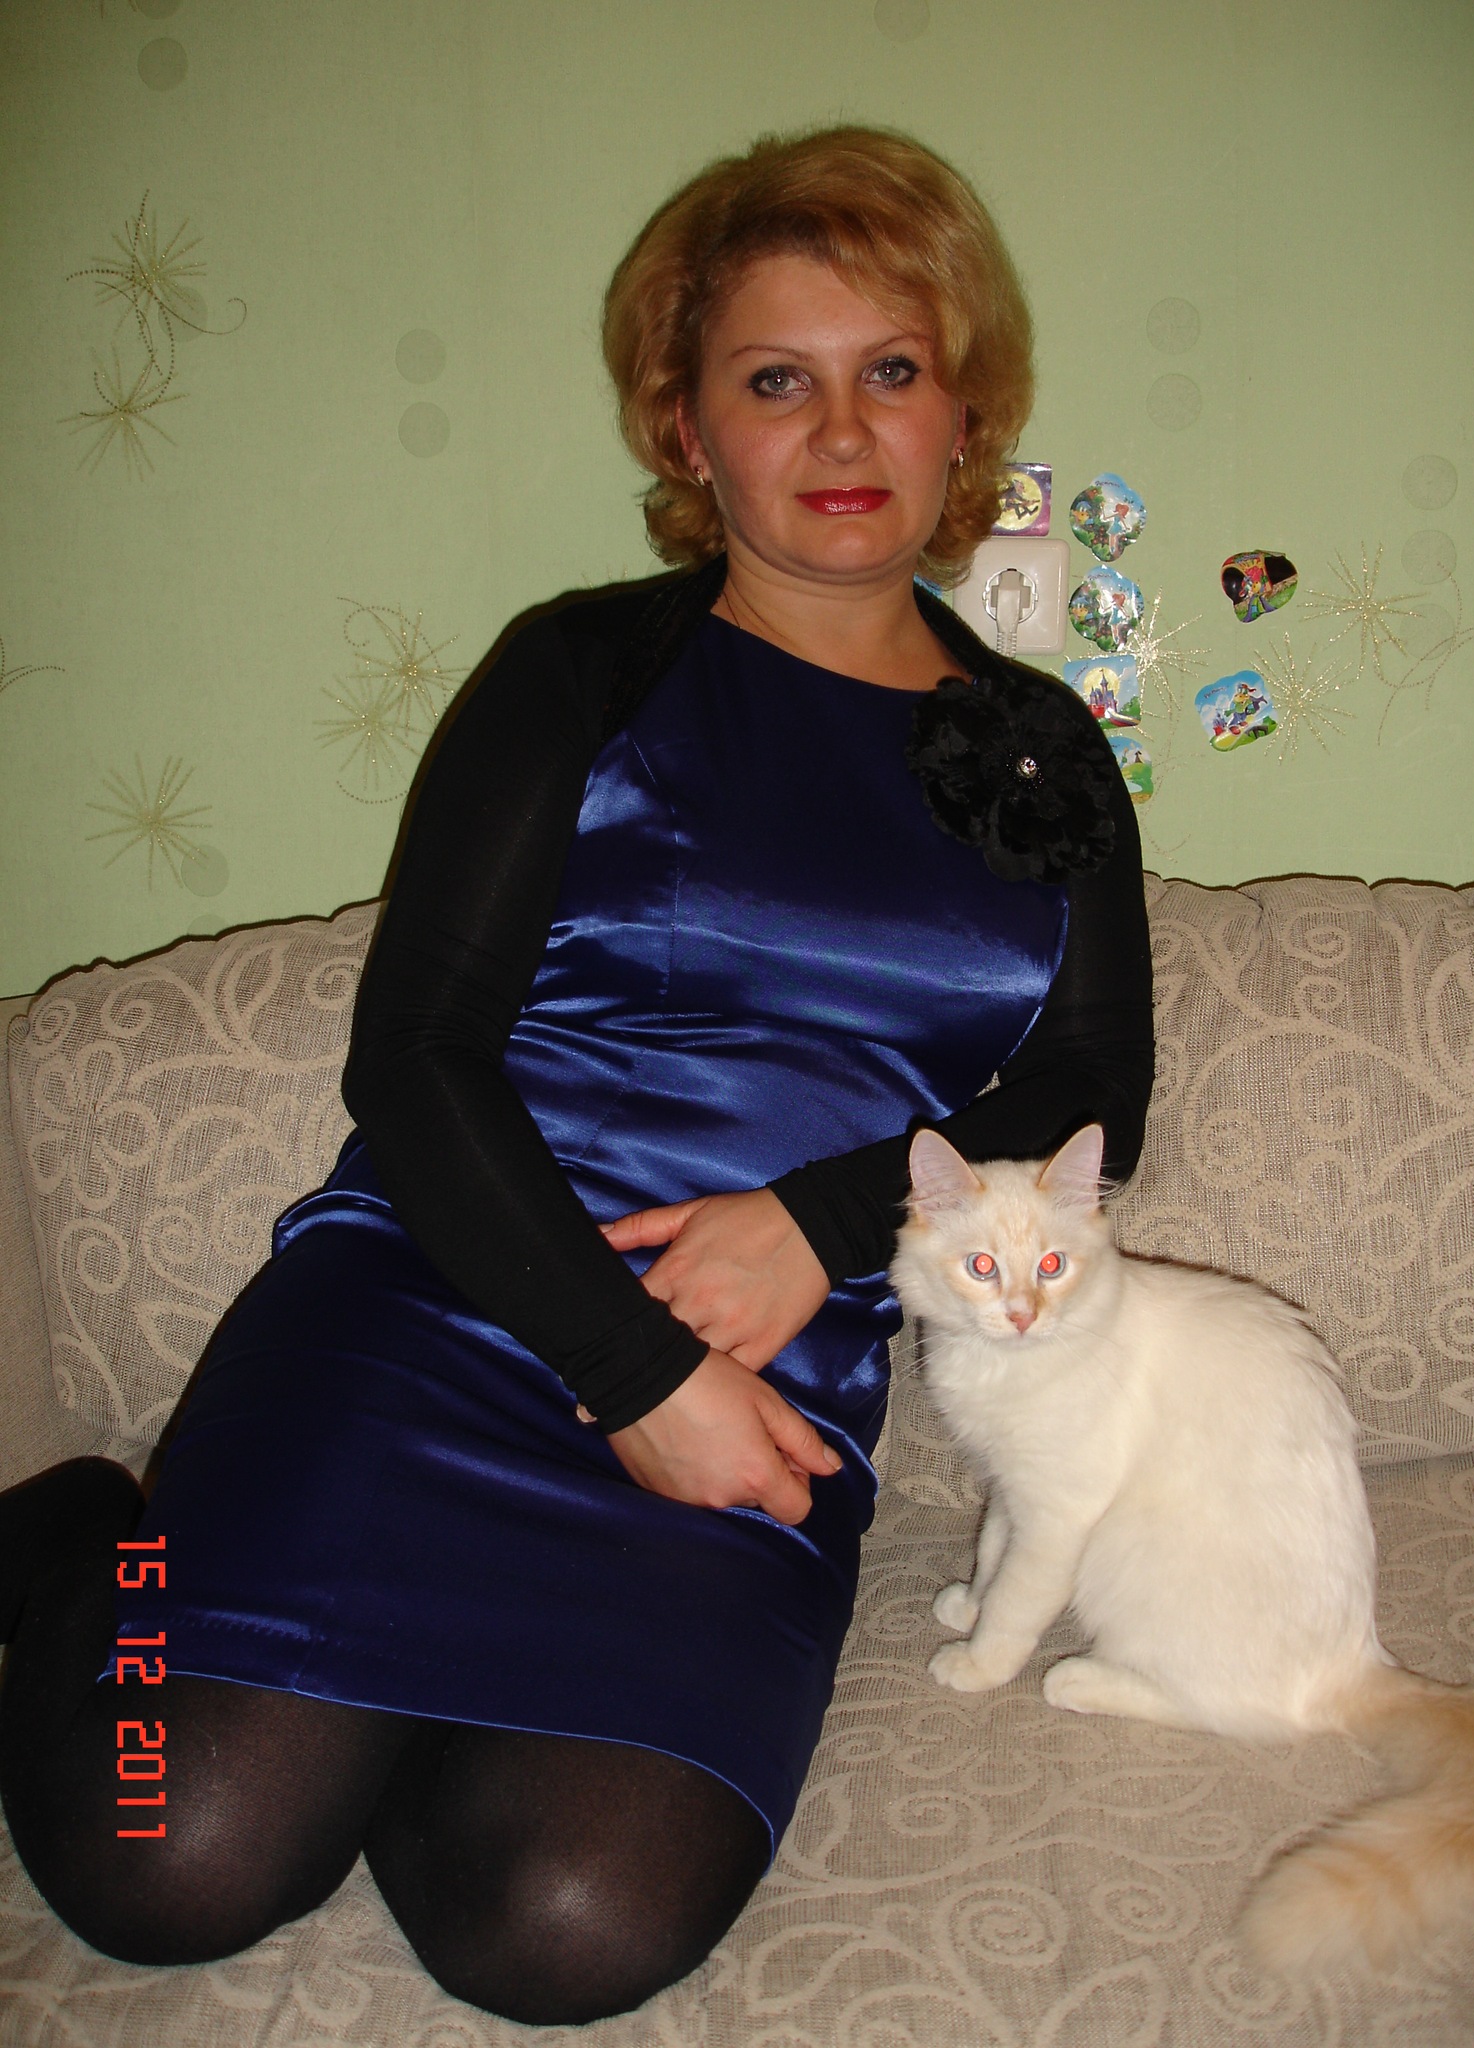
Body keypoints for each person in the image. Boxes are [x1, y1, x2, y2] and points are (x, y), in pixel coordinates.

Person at [0, 125, 1153, 2026]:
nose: (842, 430)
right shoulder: (579, 670)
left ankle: (368, 1673)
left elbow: (1097, 1080)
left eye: (891, 370)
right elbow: (414, 1056)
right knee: (162, 1849)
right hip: (448, 1302)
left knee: (565, 1929)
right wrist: (630, 1370)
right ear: (688, 429)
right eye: (774, 380)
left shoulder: (1049, 748)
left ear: (967, 415)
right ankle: (81, 1549)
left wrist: (820, 1222)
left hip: (771, 1381)